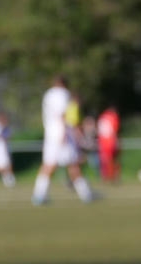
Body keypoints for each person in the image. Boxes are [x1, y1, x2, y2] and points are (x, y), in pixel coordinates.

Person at [31, 76, 94, 206]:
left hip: (50, 135)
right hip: (62, 134)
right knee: (73, 164)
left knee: (48, 164)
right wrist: (64, 133)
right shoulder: (63, 94)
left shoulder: (48, 94)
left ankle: (39, 195)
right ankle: (86, 194)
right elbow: (62, 114)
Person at [96, 107, 121, 182]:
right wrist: (118, 141)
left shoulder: (101, 117)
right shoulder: (113, 117)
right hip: (110, 141)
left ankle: (105, 176)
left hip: (102, 142)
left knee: (104, 160)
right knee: (113, 160)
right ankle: (113, 176)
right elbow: (115, 130)